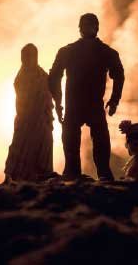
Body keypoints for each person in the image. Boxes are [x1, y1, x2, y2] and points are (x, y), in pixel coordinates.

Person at [49, 13, 124, 181]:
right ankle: (87, 172)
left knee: (94, 139)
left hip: (83, 104)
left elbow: (54, 77)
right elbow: (54, 77)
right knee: (84, 139)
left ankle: (90, 173)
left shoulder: (70, 51)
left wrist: (114, 100)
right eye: (85, 25)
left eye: (89, 25)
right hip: (83, 104)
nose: (87, 28)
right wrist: (58, 103)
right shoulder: (104, 52)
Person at [4, 43, 55, 182]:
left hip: (42, 118)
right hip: (26, 119)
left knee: (45, 142)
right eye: (26, 56)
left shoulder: (41, 73)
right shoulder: (21, 77)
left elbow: (49, 90)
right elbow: (24, 96)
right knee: (21, 145)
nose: (28, 58)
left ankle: (43, 172)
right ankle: (20, 174)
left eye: (32, 55)